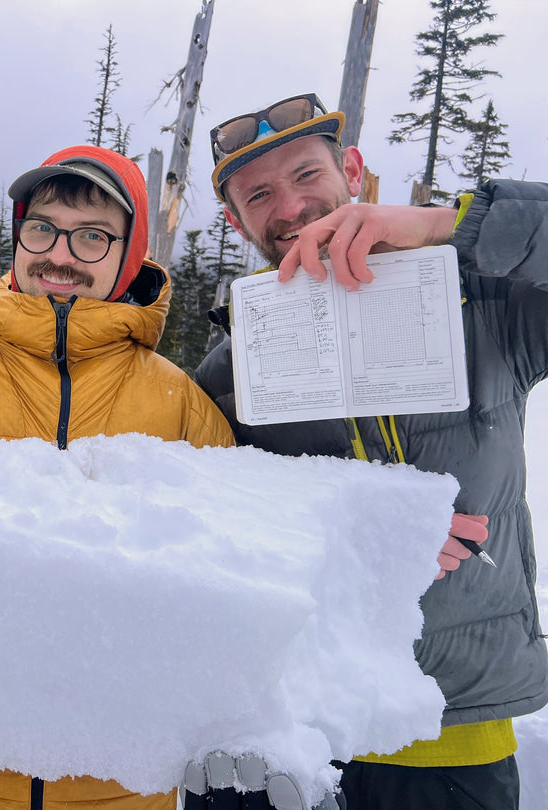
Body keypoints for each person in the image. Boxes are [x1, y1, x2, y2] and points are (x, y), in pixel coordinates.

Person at [0, 146, 333, 810]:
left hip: (127, 796)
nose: (60, 253)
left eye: (93, 236)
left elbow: (245, 594)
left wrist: (260, 743)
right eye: (42, 228)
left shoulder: (183, 407)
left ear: (129, 255)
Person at [193, 92, 548, 809]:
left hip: (455, 733)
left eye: (306, 174)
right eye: (258, 194)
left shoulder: (486, 304)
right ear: (236, 222)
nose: (289, 206)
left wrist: (445, 225)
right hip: (293, 733)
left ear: (352, 168)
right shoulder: (233, 368)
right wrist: (360, 525)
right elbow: (204, 525)